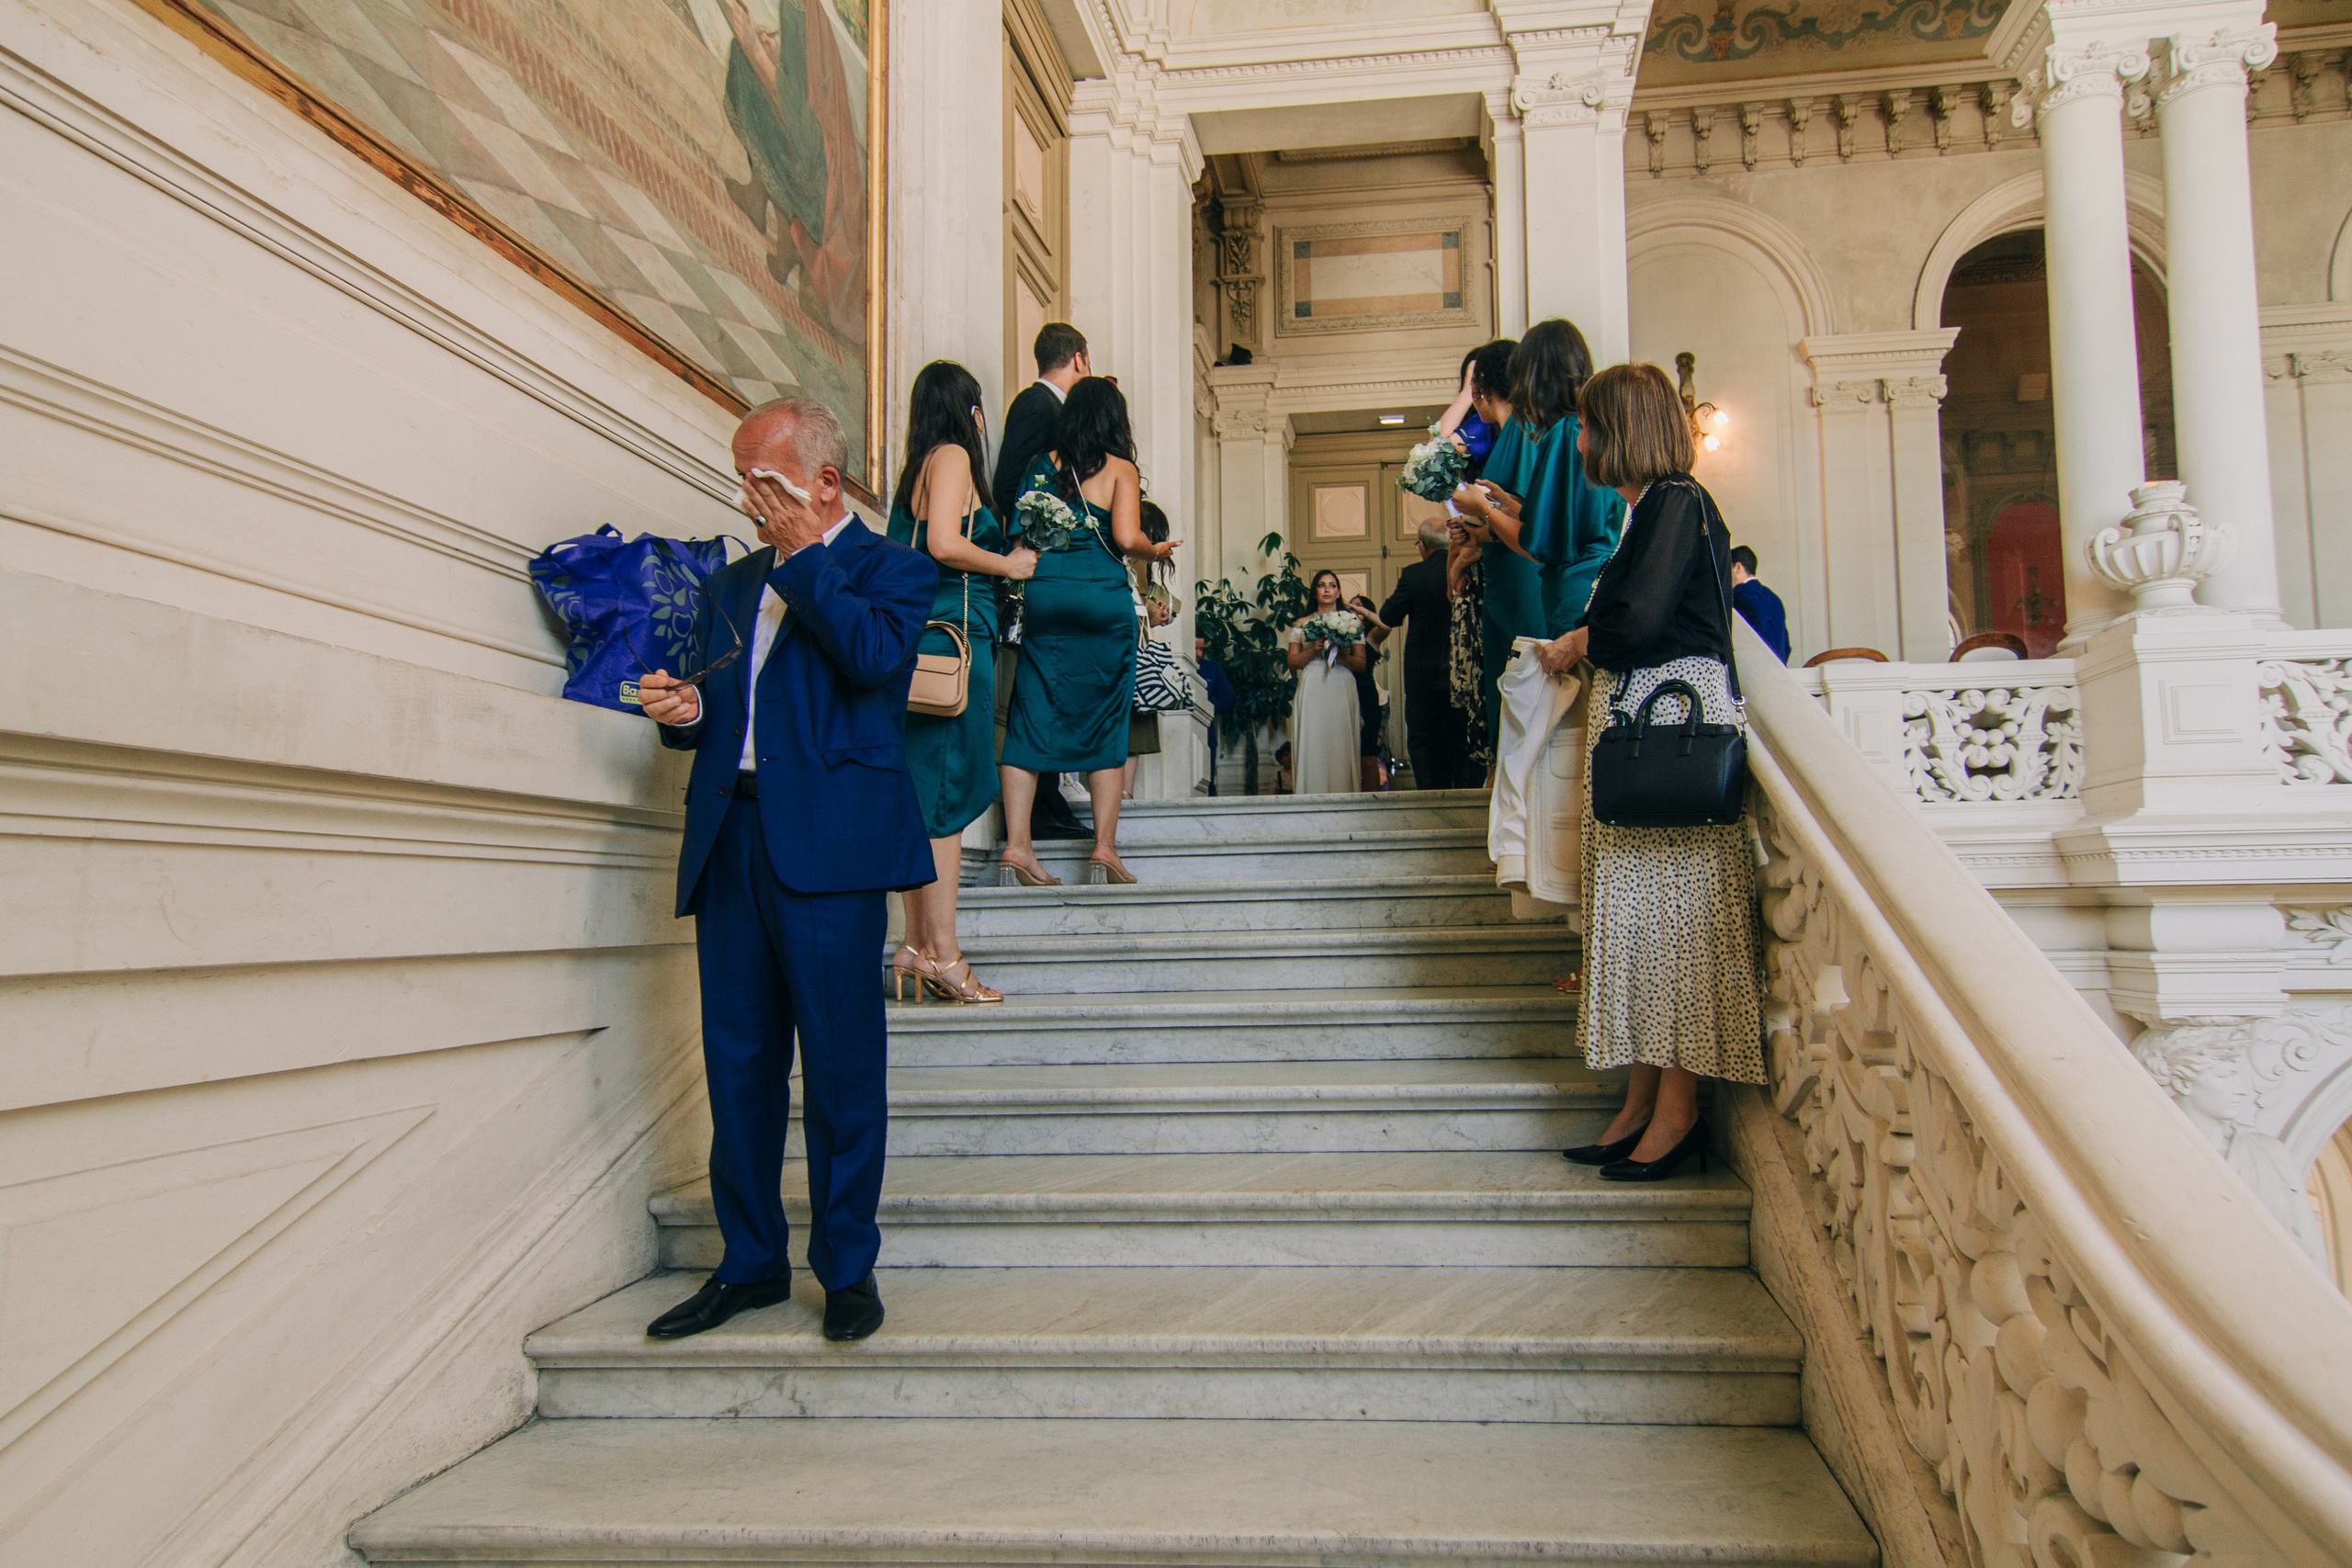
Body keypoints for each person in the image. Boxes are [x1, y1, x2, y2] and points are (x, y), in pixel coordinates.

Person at [634, 396, 935, 1342]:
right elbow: (728, 707)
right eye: (741, 481)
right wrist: (687, 714)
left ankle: (845, 1270)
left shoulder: (895, 568)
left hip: (832, 851)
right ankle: (751, 1262)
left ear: (824, 482)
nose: (746, 499)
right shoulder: (731, 583)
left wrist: (806, 558)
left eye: (760, 481)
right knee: (739, 1068)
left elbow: (871, 659)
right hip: (730, 838)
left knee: (842, 1072)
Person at [1530, 362, 1765, 1181]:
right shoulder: (1651, 510)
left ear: (1620, 428)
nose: (1580, 440)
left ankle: (1677, 1111)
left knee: (1673, 930)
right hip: (1645, 723)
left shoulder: (1676, 500)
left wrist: (1581, 638)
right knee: (1640, 927)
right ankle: (1639, 1104)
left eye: (1588, 425)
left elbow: (1636, 622)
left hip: (1670, 725)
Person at [885, 361, 1038, 1005]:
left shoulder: (916, 468)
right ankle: (946, 954)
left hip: (922, 648)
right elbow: (945, 543)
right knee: (944, 801)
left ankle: (915, 946)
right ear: (968, 409)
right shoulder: (950, 456)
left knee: (923, 801)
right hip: (952, 646)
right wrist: (1009, 562)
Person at [999, 378, 1179, 885]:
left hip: (1047, 594)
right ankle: (1103, 847)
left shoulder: (1042, 464)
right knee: (1106, 718)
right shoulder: (1121, 468)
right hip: (1101, 597)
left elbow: (1021, 535)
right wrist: (1155, 549)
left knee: (1030, 714)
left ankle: (1017, 847)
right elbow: (1125, 537)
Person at [1453, 321, 1623, 759]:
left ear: (1535, 374)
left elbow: (1538, 544)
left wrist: (1483, 509)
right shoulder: (1591, 430)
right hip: (1595, 583)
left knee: (1565, 737)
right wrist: (1512, 505)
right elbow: (1569, 518)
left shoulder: (1563, 435)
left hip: (1572, 593)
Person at [994, 321, 1094, 843]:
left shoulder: (1052, 409)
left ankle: (1050, 800)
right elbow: (1008, 484)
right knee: (1036, 686)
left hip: (1051, 569)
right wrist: (1034, 540)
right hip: (1034, 567)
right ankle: (1040, 806)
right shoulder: (1037, 406)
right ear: (1079, 358)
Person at [1375, 520, 1476, 789]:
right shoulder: (1468, 570)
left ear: (1421, 546)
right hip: (1462, 676)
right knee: (1463, 748)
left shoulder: (1414, 575)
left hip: (1423, 680)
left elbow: (1388, 616)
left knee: (1425, 749)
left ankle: (1431, 804)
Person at [1285, 570, 1365, 795]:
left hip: (1341, 682)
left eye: (1332, 585)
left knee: (1340, 739)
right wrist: (1313, 649)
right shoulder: (1302, 623)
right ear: (1315, 592)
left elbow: (1361, 664)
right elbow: (1292, 662)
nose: (1327, 590)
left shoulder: (1351, 622)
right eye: (1321, 585)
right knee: (1313, 738)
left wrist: (1342, 657)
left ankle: (1343, 794)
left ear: (1338, 592)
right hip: (1312, 682)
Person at [1123, 500, 1177, 800]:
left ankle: (1124, 794)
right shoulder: (1131, 556)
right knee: (1132, 716)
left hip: (1133, 643)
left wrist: (1152, 614)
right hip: (1125, 644)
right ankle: (1123, 793)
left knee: (1133, 716)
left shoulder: (1135, 558)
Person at [1347, 593, 1387, 791]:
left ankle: (1372, 800)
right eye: (1351, 607)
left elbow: (1386, 626)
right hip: (1344, 694)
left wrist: (1361, 610)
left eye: (1359, 606)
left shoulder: (1371, 636)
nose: (1354, 610)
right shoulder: (1341, 634)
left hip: (1366, 696)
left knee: (1368, 756)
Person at [1729, 546, 1792, 663]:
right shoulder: (1773, 598)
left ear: (1738, 567)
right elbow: (1786, 646)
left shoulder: (1738, 596)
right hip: (1779, 669)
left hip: (1754, 668)